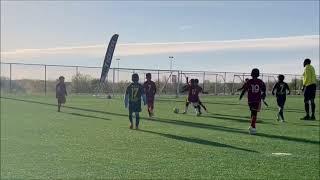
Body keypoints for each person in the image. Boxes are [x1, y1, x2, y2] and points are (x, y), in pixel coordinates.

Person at [239, 68, 266, 135]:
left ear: (251, 74)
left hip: (250, 100)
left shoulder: (249, 81)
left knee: (253, 112)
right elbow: (264, 90)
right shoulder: (260, 81)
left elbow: (244, 89)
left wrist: (241, 96)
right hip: (257, 100)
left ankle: (251, 125)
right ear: (258, 74)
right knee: (254, 113)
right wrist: (263, 96)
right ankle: (253, 127)